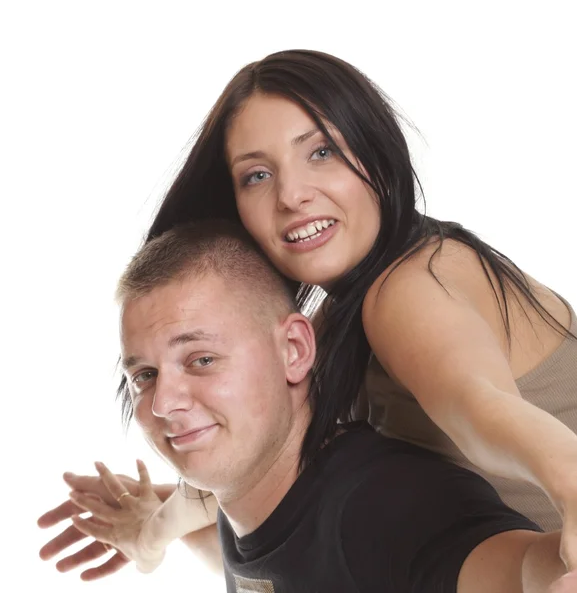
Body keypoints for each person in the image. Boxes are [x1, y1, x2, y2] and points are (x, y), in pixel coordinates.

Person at [38, 49, 577, 578]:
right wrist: (150, 532)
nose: (292, 194)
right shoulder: (328, 321)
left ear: (376, 151)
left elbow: (477, 407)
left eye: (321, 152)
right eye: (257, 175)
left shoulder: (408, 289)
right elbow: (249, 464)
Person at [47, 220, 569, 592]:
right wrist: (151, 532)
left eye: (202, 359)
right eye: (144, 375)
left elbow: (512, 565)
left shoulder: (382, 507)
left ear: (294, 350)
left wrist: (550, 572)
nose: (162, 402)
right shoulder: (252, 498)